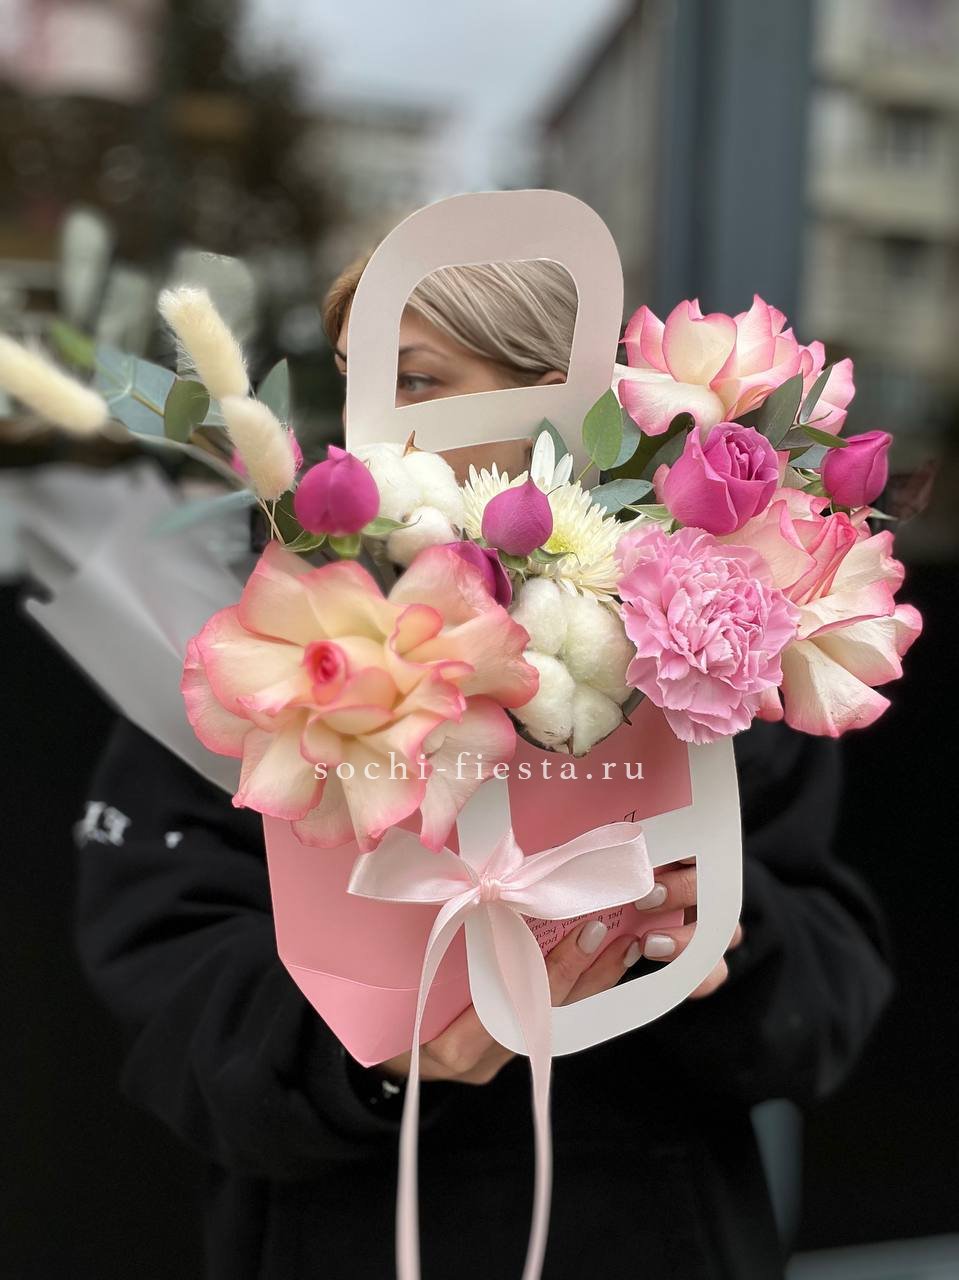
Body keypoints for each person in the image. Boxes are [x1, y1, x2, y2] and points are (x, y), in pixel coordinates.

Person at [75, 257, 893, 1279]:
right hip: (338, 1235)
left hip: (650, 1231)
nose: (372, 422)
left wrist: (716, 928)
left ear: (564, 392)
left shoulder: (709, 648)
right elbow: (166, 975)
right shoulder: (264, 644)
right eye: (353, 378)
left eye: (417, 378)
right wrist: (365, 1058)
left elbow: (831, 994)